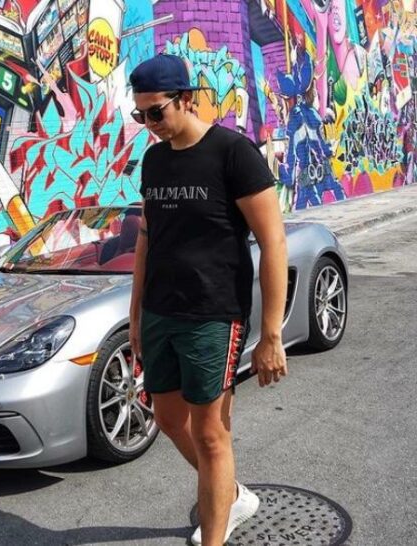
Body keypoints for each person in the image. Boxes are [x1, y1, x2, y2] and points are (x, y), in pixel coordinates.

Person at [127, 54, 288, 546]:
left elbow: (273, 242)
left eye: (156, 112)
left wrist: (272, 334)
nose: (150, 124)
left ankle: (217, 531)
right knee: (168, 419)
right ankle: (230, 493)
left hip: (213, 314)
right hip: (160, 310)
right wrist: (135, 314)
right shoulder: (155, 160)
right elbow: (147, 239)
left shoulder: (233, 153)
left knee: (211, 435)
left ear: (186, 99)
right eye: (140, 115)